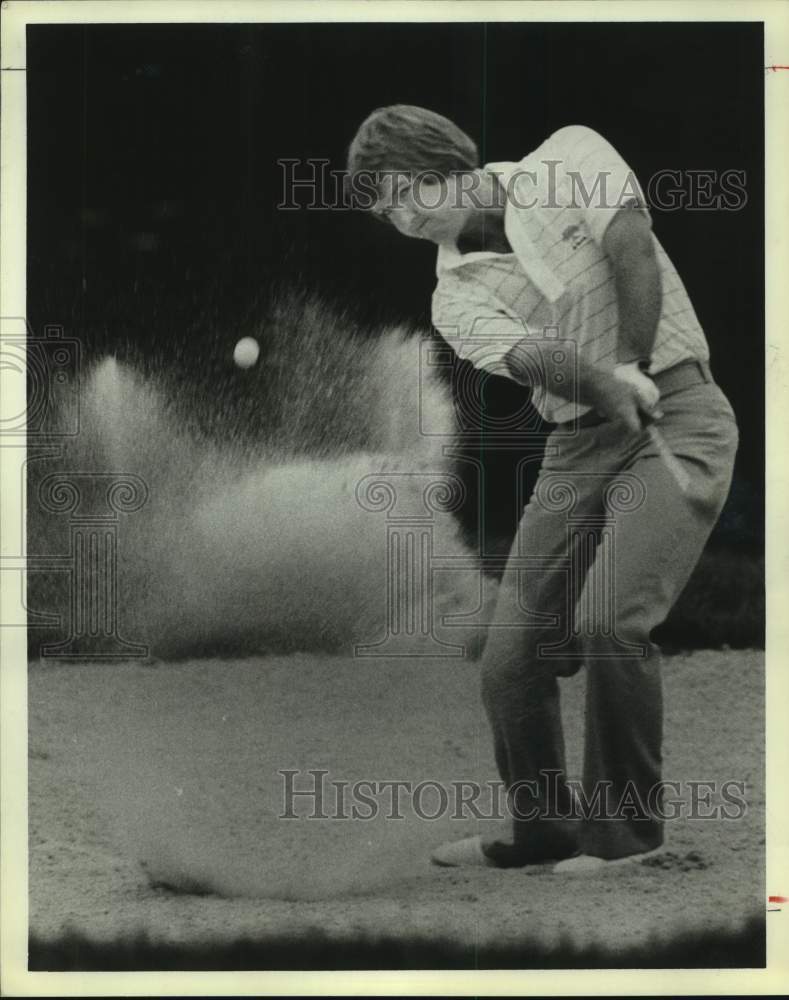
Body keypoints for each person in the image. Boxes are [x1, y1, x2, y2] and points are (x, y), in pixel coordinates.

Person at [346, 105, 739, 872]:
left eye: (405, 193)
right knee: (509, 656)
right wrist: (601, 381)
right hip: (576, 447)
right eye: (385, 210)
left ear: (446, 161)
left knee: (610, 621)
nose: (401, 217)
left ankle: (627, 839)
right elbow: (532, 361)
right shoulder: (451, 298)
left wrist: (628, 361)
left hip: (680, 417)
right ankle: (543, 832)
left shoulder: (568, 154)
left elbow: (631, 247)